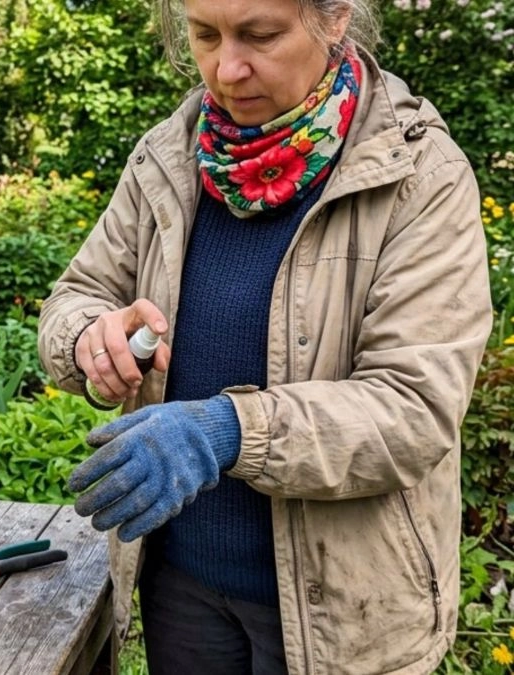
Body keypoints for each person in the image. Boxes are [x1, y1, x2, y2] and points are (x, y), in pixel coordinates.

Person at [36, 0, 492, 673]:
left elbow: (414, 408)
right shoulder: (170, 153)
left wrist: (227, 431)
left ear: (334, 19)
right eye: (204, 35)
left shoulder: (416, 174)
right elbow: (75, 296)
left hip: (345, 615)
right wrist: (86, 339)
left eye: (259, 35)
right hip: (183, 596)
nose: (226, 68)